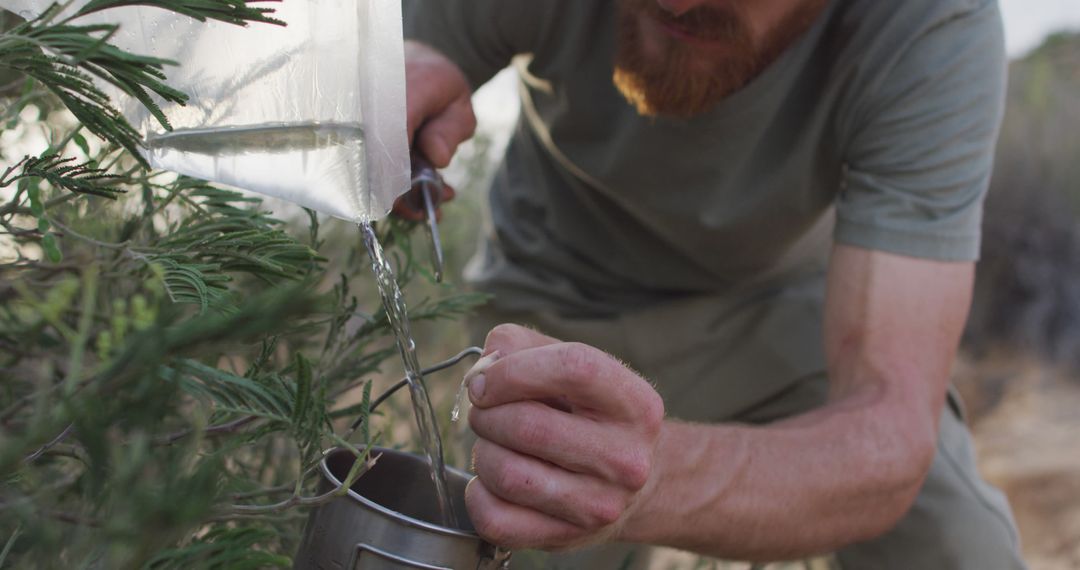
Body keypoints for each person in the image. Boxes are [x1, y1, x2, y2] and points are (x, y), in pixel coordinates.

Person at [400, 0, 1028, 567]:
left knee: (958, 547)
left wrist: (651, 481)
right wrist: (385, 100)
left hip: (782, 319)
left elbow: (887, 440)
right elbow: (400, 64)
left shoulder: (932, 26)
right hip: (552, 306)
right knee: (506, 537)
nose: (672, 3)